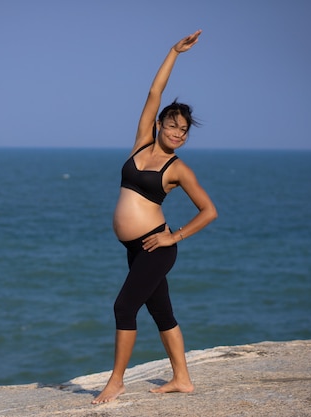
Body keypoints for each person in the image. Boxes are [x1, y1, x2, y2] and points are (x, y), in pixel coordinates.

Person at [92, 30, 217, 404]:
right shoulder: (141, 144)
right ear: (160, 124)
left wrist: (172, 237)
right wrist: (174, 52)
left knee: (123, 307)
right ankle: (182, 378)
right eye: (173, 125)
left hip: (156, 246)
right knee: (162, 311)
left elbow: (209, 211)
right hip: (135, 247)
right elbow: (153, 94)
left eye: (184, 131)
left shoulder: (179, 169)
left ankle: (116, 381)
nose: (178, 133)